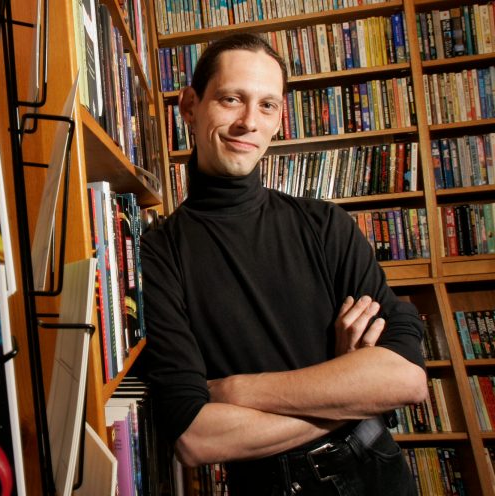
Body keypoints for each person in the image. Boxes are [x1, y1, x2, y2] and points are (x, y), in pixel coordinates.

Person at [139, 33, 427, 495]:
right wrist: (349, 389)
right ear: (190, 106)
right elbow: (196, 436)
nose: (248, 122)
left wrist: (235, 391)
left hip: (376, 471)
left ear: (279, 120)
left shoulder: (326, 225)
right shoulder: (157, 254)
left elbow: (405, 379)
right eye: (231, 99)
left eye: (267, 106)